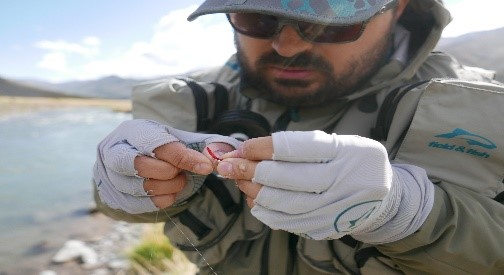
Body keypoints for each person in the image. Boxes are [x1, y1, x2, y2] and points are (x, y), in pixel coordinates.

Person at [93, 0, 504, 274]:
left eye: (329, 16)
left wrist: (410, 214)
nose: (287, 45)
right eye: (258, 16)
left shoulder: (485, 108)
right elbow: (127, 204)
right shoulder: (194, 97)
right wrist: (124, 183)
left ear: (396, 8)